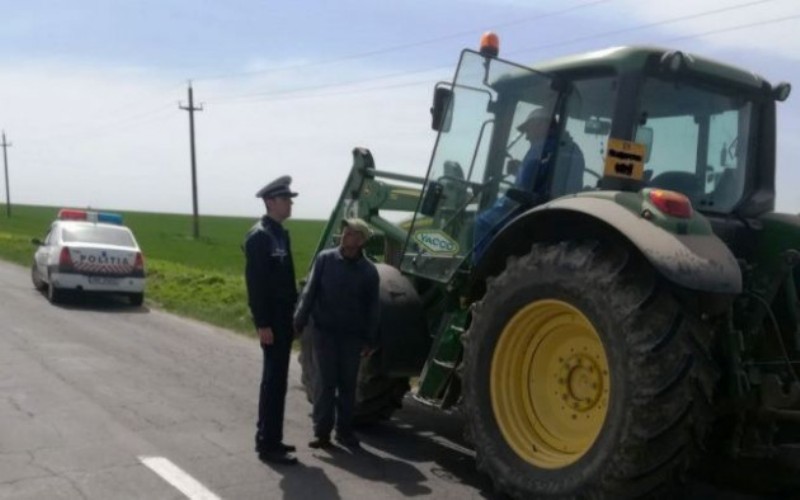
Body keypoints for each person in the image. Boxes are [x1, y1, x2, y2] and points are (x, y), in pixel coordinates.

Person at [293, 218, 380, 450]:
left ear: (361, 240)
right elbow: (310, 292)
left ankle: (344, 432)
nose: (344, 236)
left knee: (348, 386)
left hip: (351, 338)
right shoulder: (325, 259)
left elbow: (373, 308)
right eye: (345, 232)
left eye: (351, 233)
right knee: (325, 383)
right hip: (324, 334)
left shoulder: (369, 271)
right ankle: (322, 433)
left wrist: (369, 339)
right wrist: (298, 321)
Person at [472, 107, 584, 261]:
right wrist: (519, 169)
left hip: (536, 209)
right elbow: (547, 178)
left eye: (528, 130)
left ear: (541, 126)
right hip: (563, 209)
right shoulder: (573, 149)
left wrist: (518, 173)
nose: (526, 137)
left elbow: (523, 188)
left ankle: (479, 270)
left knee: (482, 222)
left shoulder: (541, 148)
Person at [244, 175, 300, 465]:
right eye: (285, 199)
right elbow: (256, 285)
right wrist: (263, 323)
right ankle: (268, 444)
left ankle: (271, 437)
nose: (290, 203)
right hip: (272, 320)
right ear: (270, 202)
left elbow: (286, 280)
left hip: (283, 317)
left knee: (278, 381)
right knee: (273, 381)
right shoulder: (260, 236)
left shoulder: (279, 233)